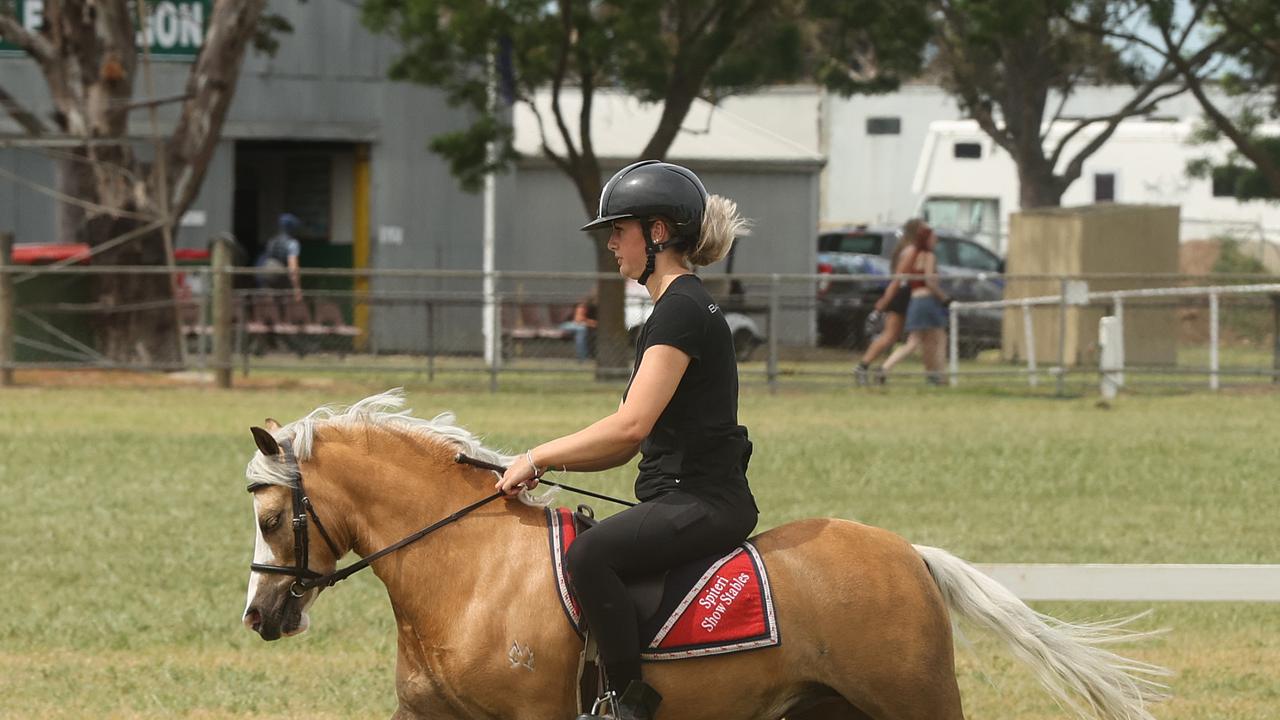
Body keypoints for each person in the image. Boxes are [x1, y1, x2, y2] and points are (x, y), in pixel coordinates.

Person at [496, 160, 758, 720]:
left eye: (620, 230)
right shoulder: (673, 309)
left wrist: (536, 456)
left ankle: (626, 701)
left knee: (589, 555)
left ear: (657, 232)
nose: (611, 243)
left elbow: (628, 427)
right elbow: (621, 441)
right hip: (687, 497)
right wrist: (536, 466)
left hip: (704, 501)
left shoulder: (681, 312)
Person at [853, 219, 926, 384]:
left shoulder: (912, 250)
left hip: (907, 294)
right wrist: (885, 301)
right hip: (904, 295)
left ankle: (872, 367)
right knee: (890, 336)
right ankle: (863, 366)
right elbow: (898, 279)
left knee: (899, 337)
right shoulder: (910, 250)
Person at [879, 223, 952, 384]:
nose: (936, 240)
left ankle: (885, 368)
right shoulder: (929, 256)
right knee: (939, 339)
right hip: (927, 301)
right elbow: (929, 281)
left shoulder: (913, 255)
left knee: (916, 341)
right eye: (933, 238)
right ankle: (939, 376)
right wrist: (944, 298)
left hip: (915, 301)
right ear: (927, 240)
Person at [255, 213, 303, 301]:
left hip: (265, 274)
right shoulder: (292, 243)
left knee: (268, 304)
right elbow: (293, 267)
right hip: (280, 276)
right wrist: (297, 288)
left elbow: (263, 259)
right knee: (285, 303)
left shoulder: (272, 241)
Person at [560, 293, 598, 361]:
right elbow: (578, 320)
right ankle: (582, 358)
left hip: (584, 327)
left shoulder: (595, 308)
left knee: (584, 329)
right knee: (581, 329)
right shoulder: (582, 305)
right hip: (568, 325)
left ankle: (588, 356)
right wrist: (592, 323)